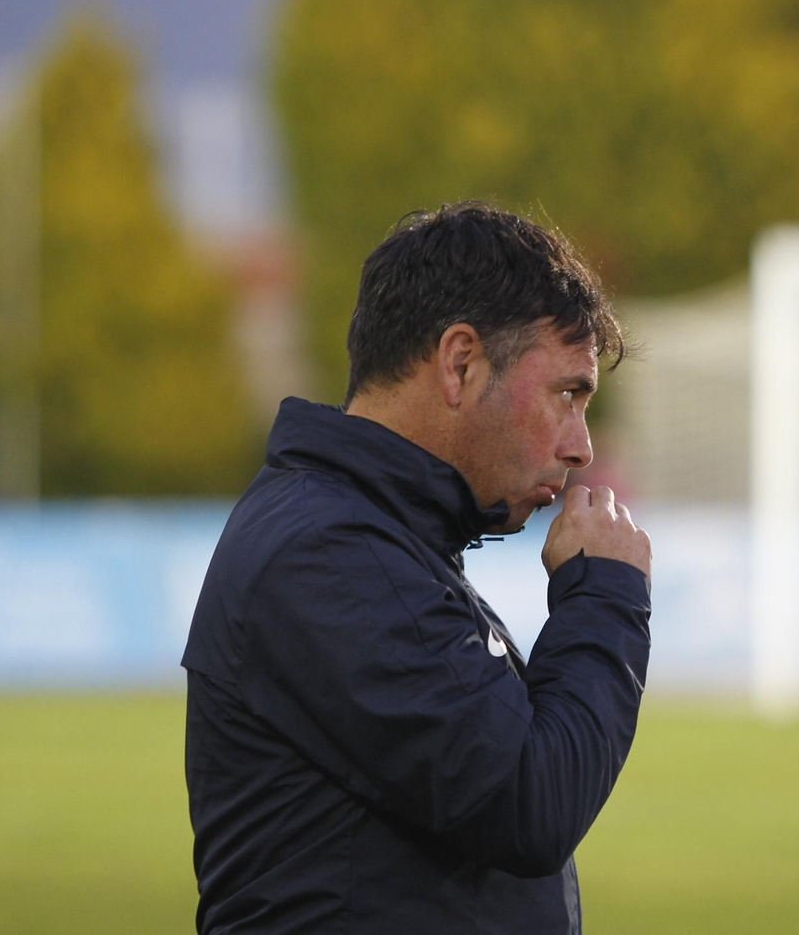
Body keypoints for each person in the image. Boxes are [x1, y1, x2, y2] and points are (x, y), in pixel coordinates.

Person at [182, 200, 653, 934]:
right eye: (567, 393)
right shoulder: (327, 551)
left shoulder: (375, 536)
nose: (580, 446)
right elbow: (529, 802)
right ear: (460, 362)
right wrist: (605, 594)